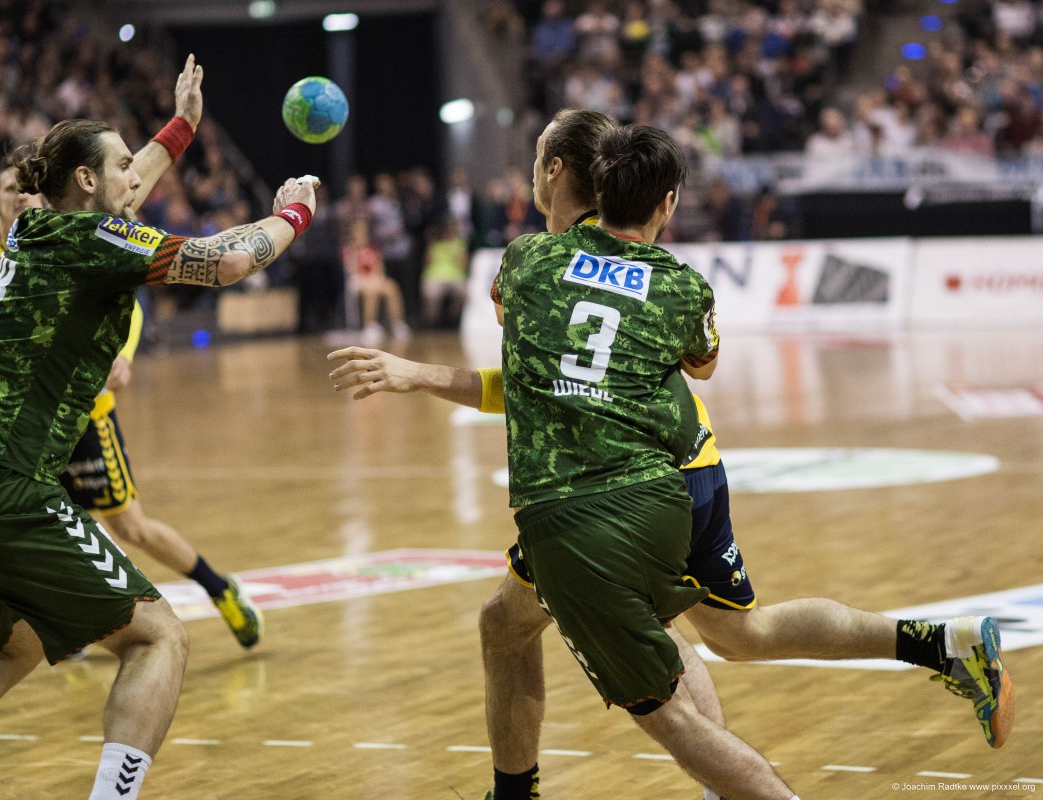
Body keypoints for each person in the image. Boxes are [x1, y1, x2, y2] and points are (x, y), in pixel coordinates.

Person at [330, 110, 1015, 799]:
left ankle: (710, 787)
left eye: (537, 156)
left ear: (556, 171)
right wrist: (419, 375)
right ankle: (940, 643)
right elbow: (566, 383)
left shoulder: (535, 263)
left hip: (631, 478)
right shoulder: (661, 275)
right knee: (730, 634)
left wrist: (420, 374)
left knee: (650, 653)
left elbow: (549, 383)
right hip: (690, 464)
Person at [0, 54, 319, 800]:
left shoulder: (30, 228)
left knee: (12, 647)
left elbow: (125, 185)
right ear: (84, 181)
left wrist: (182, 127)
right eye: (119, 165)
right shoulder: (96, 241)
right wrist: (293, 212)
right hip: (4, 486)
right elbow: (228, 262)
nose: (133, 178)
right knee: (158, 637)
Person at [0, 159, 262, 652]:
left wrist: (124, 356)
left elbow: (126, 298)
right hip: (16, 432)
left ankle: (219, 588)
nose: (21, 196)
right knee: (43, 526)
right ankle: (76, 618)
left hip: (81, 413)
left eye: (28, 188)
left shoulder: (66, 237)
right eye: (9, 188)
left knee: (130, 526)